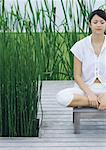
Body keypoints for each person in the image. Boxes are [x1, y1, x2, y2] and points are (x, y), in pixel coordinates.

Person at [56, 9, 106, 110]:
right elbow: (77, 76)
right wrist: (90, 94)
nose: (99, 25)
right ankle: (95, 102)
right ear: (90, 24)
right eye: (95, 22)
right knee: (61, 97)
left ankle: (91, 101)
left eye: (102, 22)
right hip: (85, 88)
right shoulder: (80, 46)